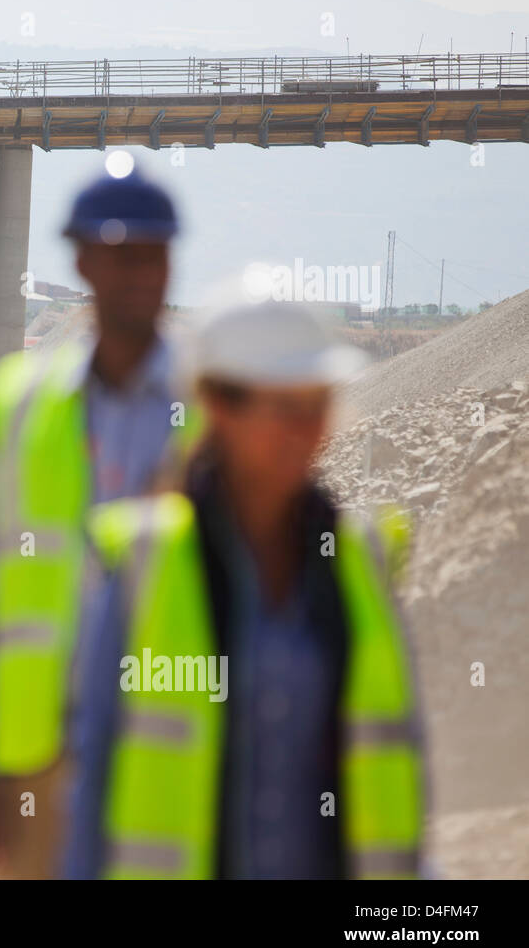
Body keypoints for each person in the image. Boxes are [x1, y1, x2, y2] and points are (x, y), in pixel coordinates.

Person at [64, 293, 425, 879]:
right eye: (281, 408)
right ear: (218, 406)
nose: (303, 431)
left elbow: (397, 770)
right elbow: (92, 775)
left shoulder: (358, 563)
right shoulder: (150, 563)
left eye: (314, 407)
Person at [0, 158, 197, 879]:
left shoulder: (211, 411)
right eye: (121, 254)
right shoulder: (24, 403)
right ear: (83, 261)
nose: (139, 273)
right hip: (38, 761)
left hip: (171, 750)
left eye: (153, 254)